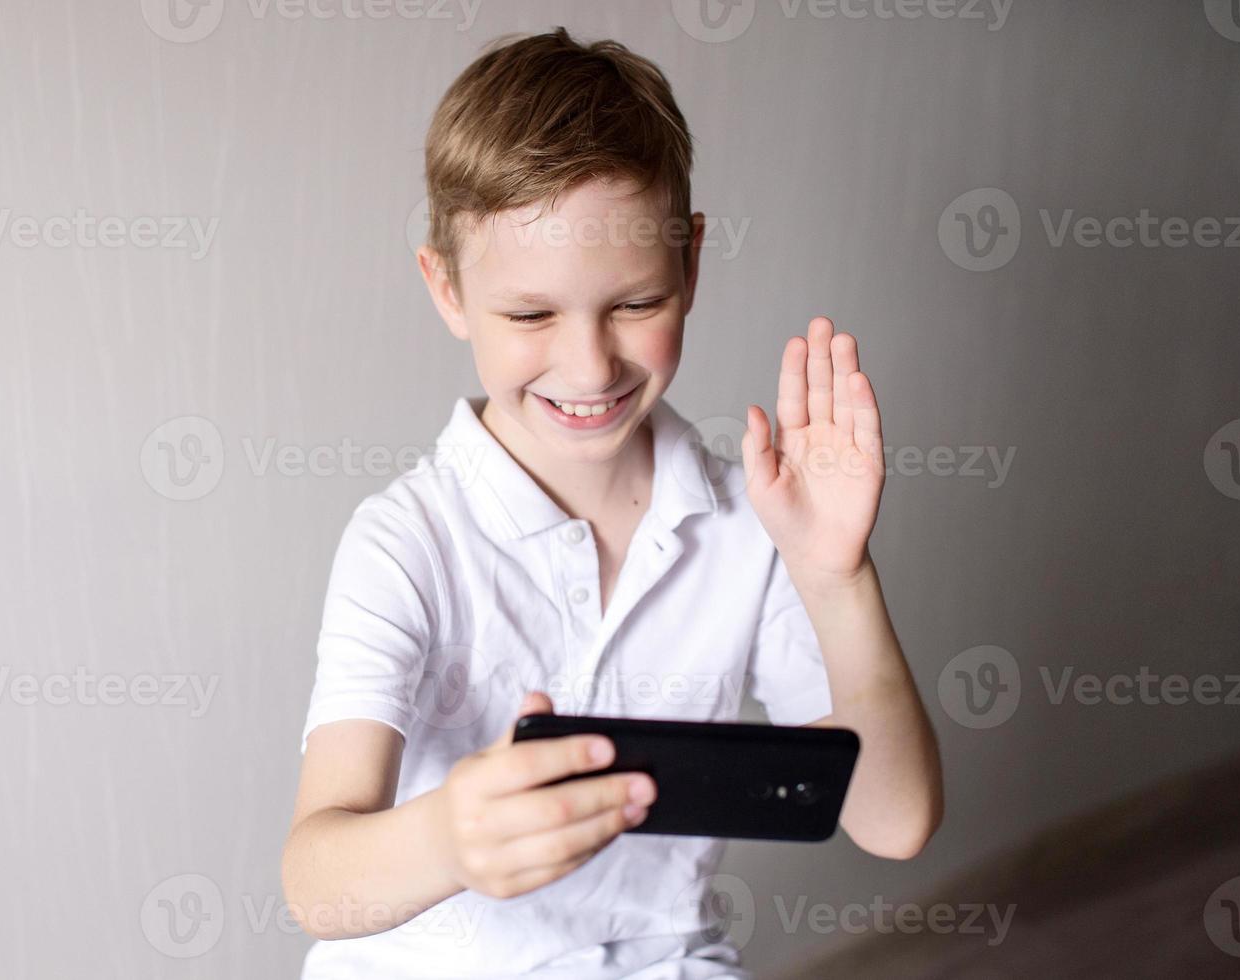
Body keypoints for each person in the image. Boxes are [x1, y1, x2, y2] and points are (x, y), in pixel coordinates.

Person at [282, 26, 943, 979]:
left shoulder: (750, 523)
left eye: (634, 303)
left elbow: (895, 819)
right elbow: (315, 880)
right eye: (531, 314)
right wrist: (450, 839)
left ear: (691, 266)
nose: (590, 366)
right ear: (448, 288)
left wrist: (836, 577)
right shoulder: (406, 544)